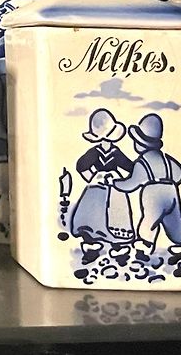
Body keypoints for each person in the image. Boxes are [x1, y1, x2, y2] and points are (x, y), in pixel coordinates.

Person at [112, 113, 181, 259]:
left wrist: (115, 183)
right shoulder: (166, 159)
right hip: (171, 190)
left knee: (149, 220)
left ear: (140, 144)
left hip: (153, 193)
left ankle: (144, 246)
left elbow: (131, 184)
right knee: (175, 219)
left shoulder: (142, 163)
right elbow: (179, 175)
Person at [68, 108, 136, 263]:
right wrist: (93, 178)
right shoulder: (95, 152)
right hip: (97, 188)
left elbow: (129, 167)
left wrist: (123, 179)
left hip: (113, 189)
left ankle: (118, 249)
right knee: (93, 215)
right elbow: (81, 166)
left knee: (116, 216)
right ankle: (92, 247)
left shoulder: (116, 152)